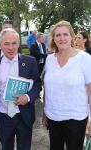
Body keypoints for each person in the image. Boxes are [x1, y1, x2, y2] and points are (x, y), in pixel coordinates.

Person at [0, 28, 41, 150]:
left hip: (24, 115)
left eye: (14, 43)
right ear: (0, 45)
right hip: (3, 116)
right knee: (6, 147)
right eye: (6, 43)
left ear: (18, 44)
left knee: (25, 147)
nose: (11, 47)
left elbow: (37, 84)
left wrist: (27, 97)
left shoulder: (30, 62)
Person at [42, 20, 91, 150]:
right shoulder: (49, 59)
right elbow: (48, 88)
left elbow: (90, 91)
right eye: (58, 35)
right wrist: (45, 112)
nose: (62, 38)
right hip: (53, 117)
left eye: (65, 34)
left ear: (71, 36)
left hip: (76, 118)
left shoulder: (85, 59)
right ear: (54, 38)